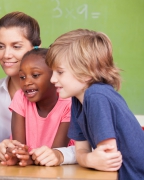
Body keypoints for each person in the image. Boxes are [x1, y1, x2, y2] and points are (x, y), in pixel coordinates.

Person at [0, 11, 76, 166]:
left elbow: (66, 150)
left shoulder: (67, 98)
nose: (6, 55)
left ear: (35, 47)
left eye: (16, 46)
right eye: (0, 46)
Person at [46, 28, 143, 178]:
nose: (52, 79)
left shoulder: (96, 96)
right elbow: (81, 152)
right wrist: (89, 159)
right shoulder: (78, 100)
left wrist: (89, 159)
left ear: (85, 73)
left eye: (60, 72)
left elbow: (108, 160)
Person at [6, 48, 73, 166]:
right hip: (26, 169)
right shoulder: (21, 97)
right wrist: (18, 154)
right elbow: (19, 147)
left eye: (35, 75)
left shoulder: (68, 104)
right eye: (22, 77)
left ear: (54, 77)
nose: (27, 82)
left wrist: (29, 158)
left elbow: (55, 153)